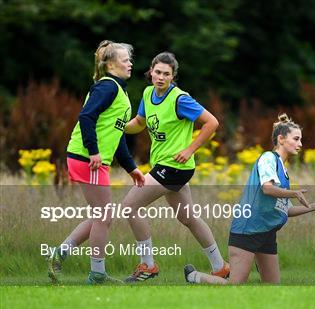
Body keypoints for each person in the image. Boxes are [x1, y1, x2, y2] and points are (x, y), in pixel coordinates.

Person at [183, 114, 315, 284]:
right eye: (296, 139)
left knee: (272, 288)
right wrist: (293, 193)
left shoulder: (283, 170)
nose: (300, 144)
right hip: (248, 229)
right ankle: (194, 276)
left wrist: (313, 207)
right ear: (281, 139)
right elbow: (267, 188)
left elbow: (285, 209)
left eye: (301, 140)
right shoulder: (268, 159)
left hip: (267, 232)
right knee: (235, 285)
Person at [121, 52, 229, 282]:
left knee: (129, 207)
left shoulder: (180, 99)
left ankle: (148, 265)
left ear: (173, 77)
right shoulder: (148, 93)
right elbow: (139, 123)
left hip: (174, 167)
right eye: (157, 72)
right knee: (188, 218)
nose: (160, 77)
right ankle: (220, 267)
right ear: (151, 72)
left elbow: (212, 123)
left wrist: (190, 149)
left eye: (166, 74)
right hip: (166, 166)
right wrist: (117, 126)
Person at [47, 40, 145, 284]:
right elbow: (86, 117)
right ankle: (97, 273)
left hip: (89, 158)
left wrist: (131, 168)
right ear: (111, 64)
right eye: (125, 60)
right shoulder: (107, 87)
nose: (130, 63)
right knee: (104, 216)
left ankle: (60, 254)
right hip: (87, 158)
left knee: (100, 216)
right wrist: (93, 151)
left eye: (130, 60)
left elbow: (117, 136)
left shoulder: (119, 91)